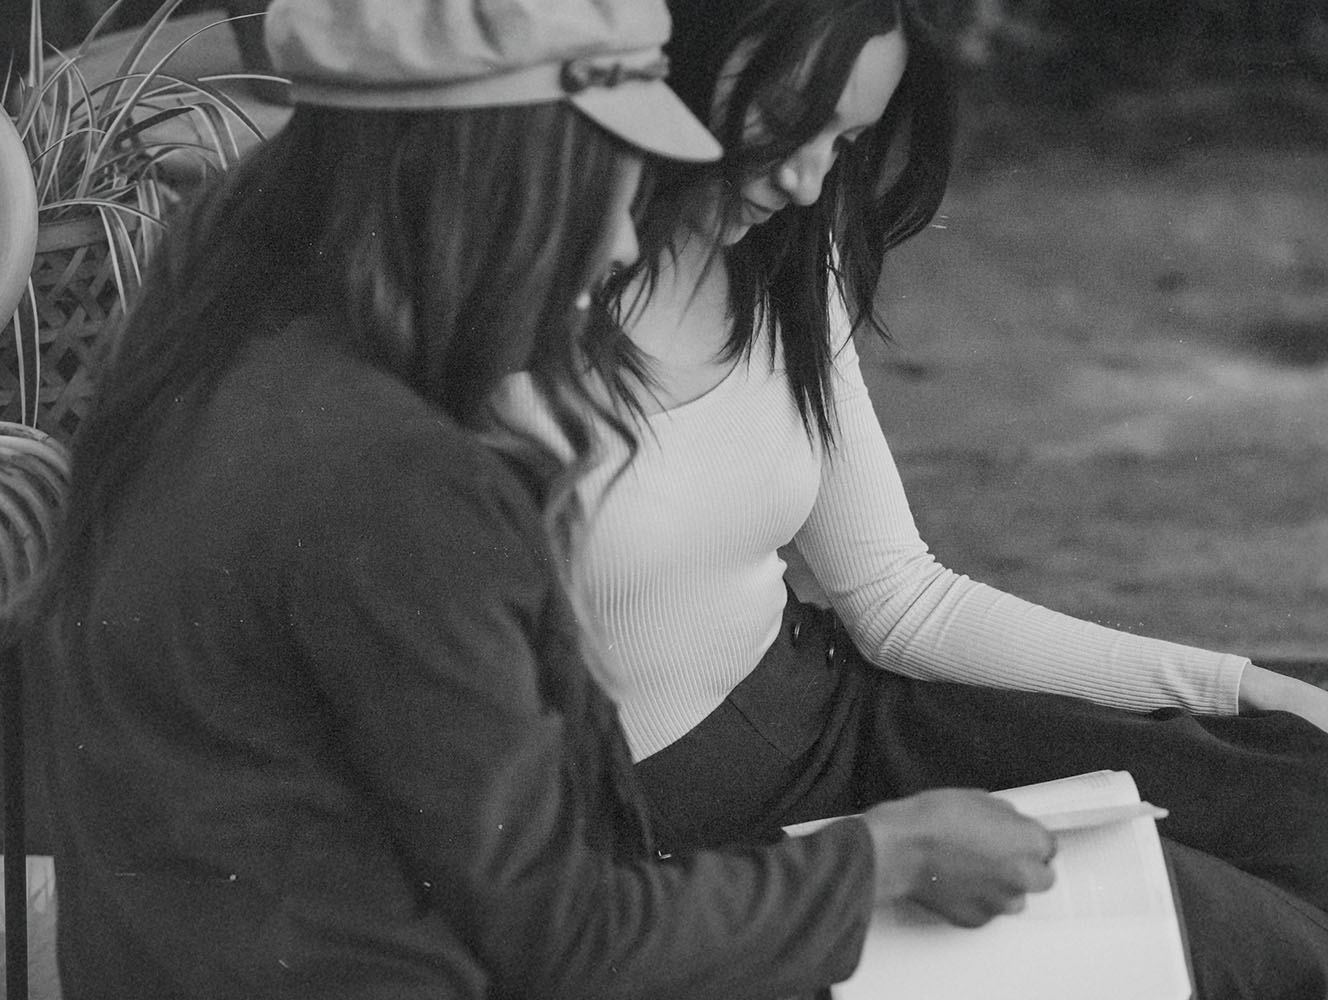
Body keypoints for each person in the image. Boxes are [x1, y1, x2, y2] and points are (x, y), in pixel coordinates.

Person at [28, 0, 1071, 997]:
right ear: (501, 183)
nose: (624, 245)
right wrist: (884, 856)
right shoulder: (392, 479)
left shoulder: (219, 350)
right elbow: (563, 938)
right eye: (611, 189)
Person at [491, 0, 1328, 996]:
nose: (804, 182)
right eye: (777, 131)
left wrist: (1245, 686)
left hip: (833, 708)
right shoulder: (502, 327)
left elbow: (898, 595)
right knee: (1200, 920)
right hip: (684, 832)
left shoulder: (787, 252)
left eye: (841, 142)